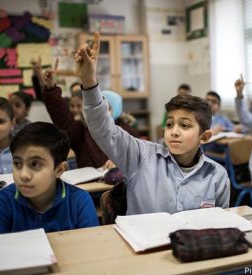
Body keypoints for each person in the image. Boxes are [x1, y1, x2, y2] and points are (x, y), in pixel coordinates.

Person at [75, 32, 230, 215]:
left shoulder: (217, 175)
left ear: (204, 137)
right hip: (142, 243)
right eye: (170, 124)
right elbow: (103, 129)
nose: (174, 131)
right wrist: (89, 82)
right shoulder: (141, 157)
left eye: (185, 126)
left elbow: (220, 224)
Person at [0, 122, 99, 235]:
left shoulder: (79, 201)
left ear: (59, 170)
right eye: (17, 163)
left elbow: (91, 247)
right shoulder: (0, 202)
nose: (23, 175)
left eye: (35, 164)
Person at [37, 59, 138, 169]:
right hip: (89, 184)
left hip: (120, 183)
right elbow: (63, 119)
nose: (102, 111)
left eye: (108, 108)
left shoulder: (127, 132)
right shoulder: (82, 131)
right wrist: (51, 89)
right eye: (99, 106)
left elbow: (138, 156)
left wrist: (121, 162)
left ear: (117, 110)